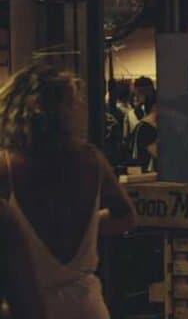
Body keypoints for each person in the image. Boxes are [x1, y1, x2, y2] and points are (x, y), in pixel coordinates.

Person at [0, 62, 137, 319]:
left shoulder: (5, 168)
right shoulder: (91, 160)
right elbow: (126, 216)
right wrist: (89, 225)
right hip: (87, 307)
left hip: (24, 308)